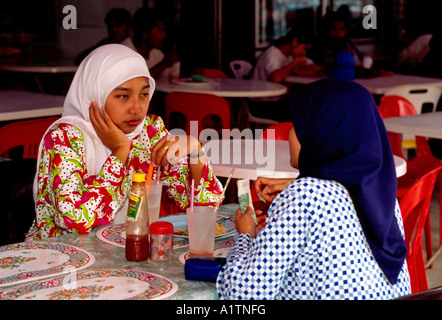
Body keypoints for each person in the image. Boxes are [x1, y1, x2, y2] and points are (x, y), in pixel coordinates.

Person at [216, 79, 411, 300]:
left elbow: (244, 295)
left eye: (297, 124)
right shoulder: (382, 194)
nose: (290, 132)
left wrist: (246, 236)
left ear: (320, 133)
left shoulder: (304, 196)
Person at [26, 44, 223, 240]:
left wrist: (196, 151)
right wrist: (120, 152)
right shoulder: (64, 137)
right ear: (96, 94)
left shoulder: (150, 131)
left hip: (130, 255)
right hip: (68, 259)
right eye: (123, 96)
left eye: (144, 94)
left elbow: (204, 209)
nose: (136, 108)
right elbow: (74, 222)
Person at [122, 7, 180, 80]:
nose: (164, 35)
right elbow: (134, 83)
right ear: (145, 34)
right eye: (159, 31)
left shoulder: (156, 54)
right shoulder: (125, 52)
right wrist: (163, 64)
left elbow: (167, 78)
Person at [251, 27, 319, 84]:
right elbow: (276, 79)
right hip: (261, 98)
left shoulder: (290, 55)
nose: (304, 53)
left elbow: (315, 68)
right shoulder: (272, 55)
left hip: (278, 97)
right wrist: (293, 64)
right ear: (295, 42)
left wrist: (295, 71)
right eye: (305, 48)